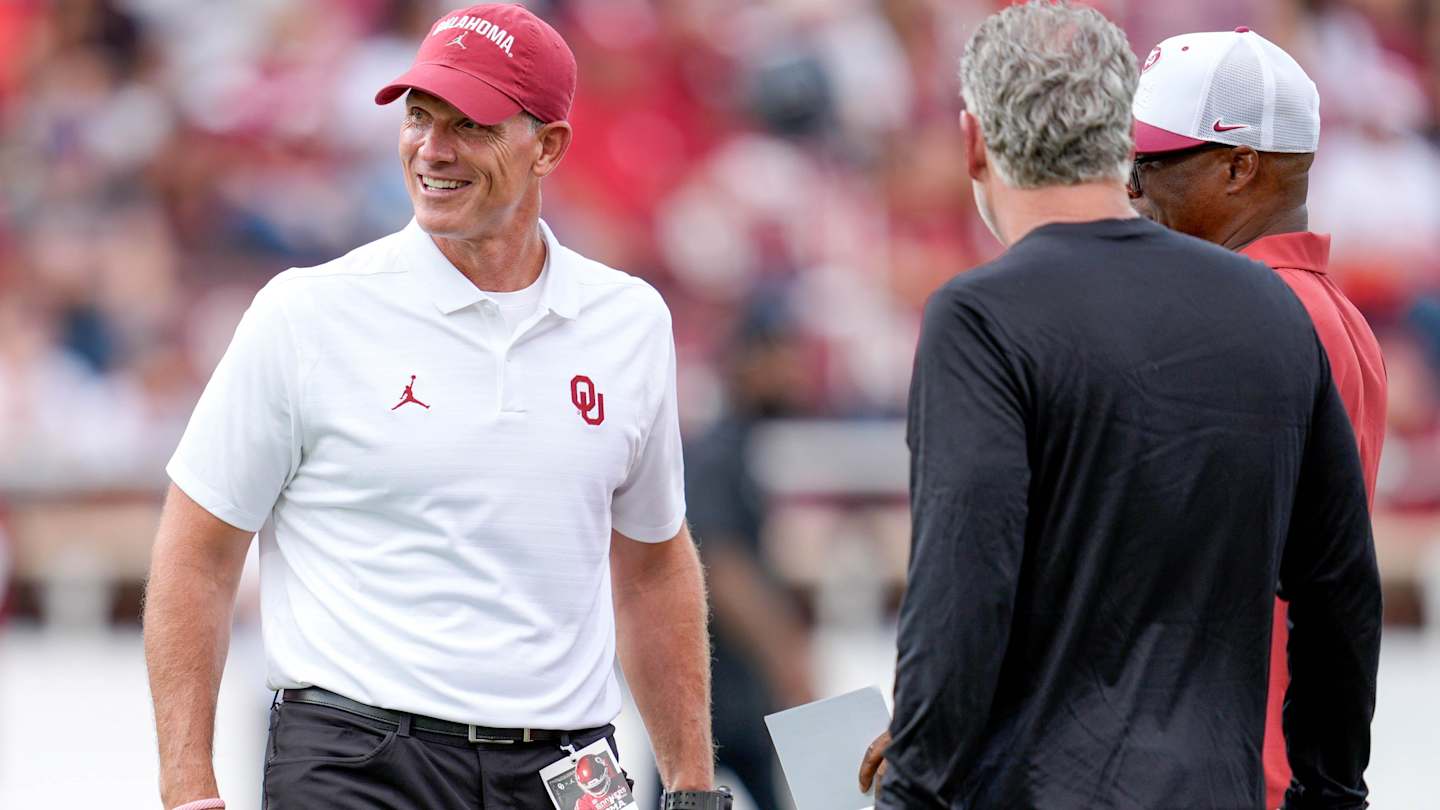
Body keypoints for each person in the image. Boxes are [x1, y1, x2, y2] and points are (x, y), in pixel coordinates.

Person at [142, 5, 731, 810]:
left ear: (549, 146)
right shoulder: (308, 312)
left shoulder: (629, 322)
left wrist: (693, 784)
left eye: (473, 124)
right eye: (419, 116)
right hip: (355, 761)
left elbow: (654, 562)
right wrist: (188, 789)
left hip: (564, 771)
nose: (433, 148)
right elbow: (198, 552)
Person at [858, 3, 1381, 808]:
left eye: (1155, 161)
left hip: (1092, 777)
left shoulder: (988, 314)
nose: (1134, 184)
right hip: (1224, 775)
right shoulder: (1276, 307)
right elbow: (1336, 590)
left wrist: (927, 761)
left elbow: (972, 585)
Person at [1128, 28, 1387, 810]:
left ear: (1241, 167)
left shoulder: (1243, 317)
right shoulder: (1335, 316)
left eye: (1151, 163)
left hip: (1218, 765)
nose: (1131, 188)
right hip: (1270, 762)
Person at [684, 290, 816, 808]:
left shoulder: (745, 447)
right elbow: (723, 566)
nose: (793, 370)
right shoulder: (719, 451)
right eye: (780, 354)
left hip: (722, 692)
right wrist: (787, 655)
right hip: (721, 693)